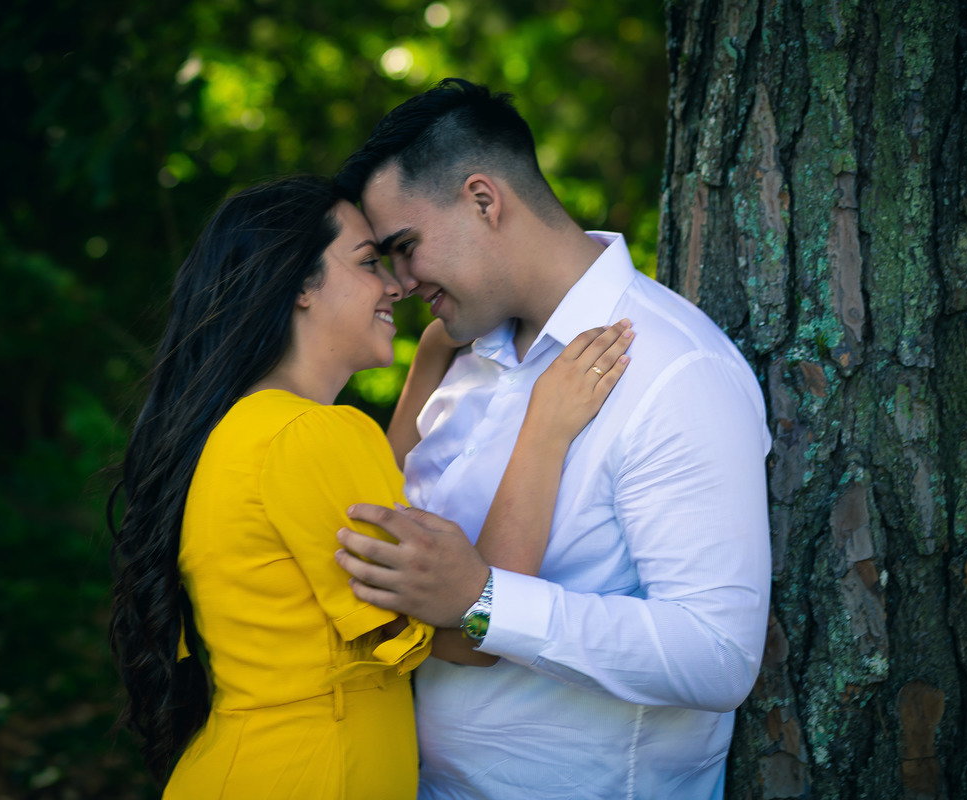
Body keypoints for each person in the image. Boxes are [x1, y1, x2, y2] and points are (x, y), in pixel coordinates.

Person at [108, 175, 634, 798]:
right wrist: (544, 430)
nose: (397, 285)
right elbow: (471, 631)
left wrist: (429, 360)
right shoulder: (313, 434)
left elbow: (363, 503)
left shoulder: (251, 427)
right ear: (299, 285)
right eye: (367, 262)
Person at [332, 79, 772, 799]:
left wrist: (486, 601)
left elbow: (718, 656)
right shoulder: (460, 357)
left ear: (484, 199)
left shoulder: (674, 368)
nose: (401, 282)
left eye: (405, 247)